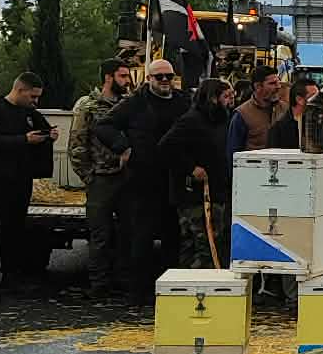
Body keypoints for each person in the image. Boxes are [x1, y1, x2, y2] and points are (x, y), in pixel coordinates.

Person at [95, 58, 186, 288]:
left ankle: (170, 288)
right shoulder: (135, 102)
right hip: (142, 180)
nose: (165, 80)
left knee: (173, 236)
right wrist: (123, 147)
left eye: (169, 76)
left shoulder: (183, 101)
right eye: (159, 76)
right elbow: (104, 126)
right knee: (140, 236)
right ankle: (138, 290)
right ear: (148, 78)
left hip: (174, 178)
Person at [0, 72, 56, 301]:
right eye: (33, 96)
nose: (35, 101)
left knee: (15, 230)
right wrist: (23, 140)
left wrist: (49, 135)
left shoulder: (29, 113)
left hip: (22, 179)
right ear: (19, 90)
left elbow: (43, 130)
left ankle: (11, 277)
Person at [70, 59, 135, 300]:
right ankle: (99, 284)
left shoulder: (128, 104)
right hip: (101, 178)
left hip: (126, 178)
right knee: (100, 235)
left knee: (128, 232)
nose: (127, 81)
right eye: (122, 76)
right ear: (108, 77)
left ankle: (124, 280)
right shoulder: (88, 105)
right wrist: (89, 176)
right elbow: (77, 143)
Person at [160, 78, 234, 268]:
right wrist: (191, 168)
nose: (230, 101)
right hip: (194, 196)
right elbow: (166, 147)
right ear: (213, 98)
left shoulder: (221, 120)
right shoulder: (191, 120)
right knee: (200, 246)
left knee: (212, 244)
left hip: (216, 192)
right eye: (226, 96)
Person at [227, 65, 288, 155]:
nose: (278, 86)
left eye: (278, 82)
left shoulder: (285, 109)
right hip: (253, 163)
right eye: (272, 83)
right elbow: (233, 152)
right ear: (258, 86)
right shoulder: (242, 114)